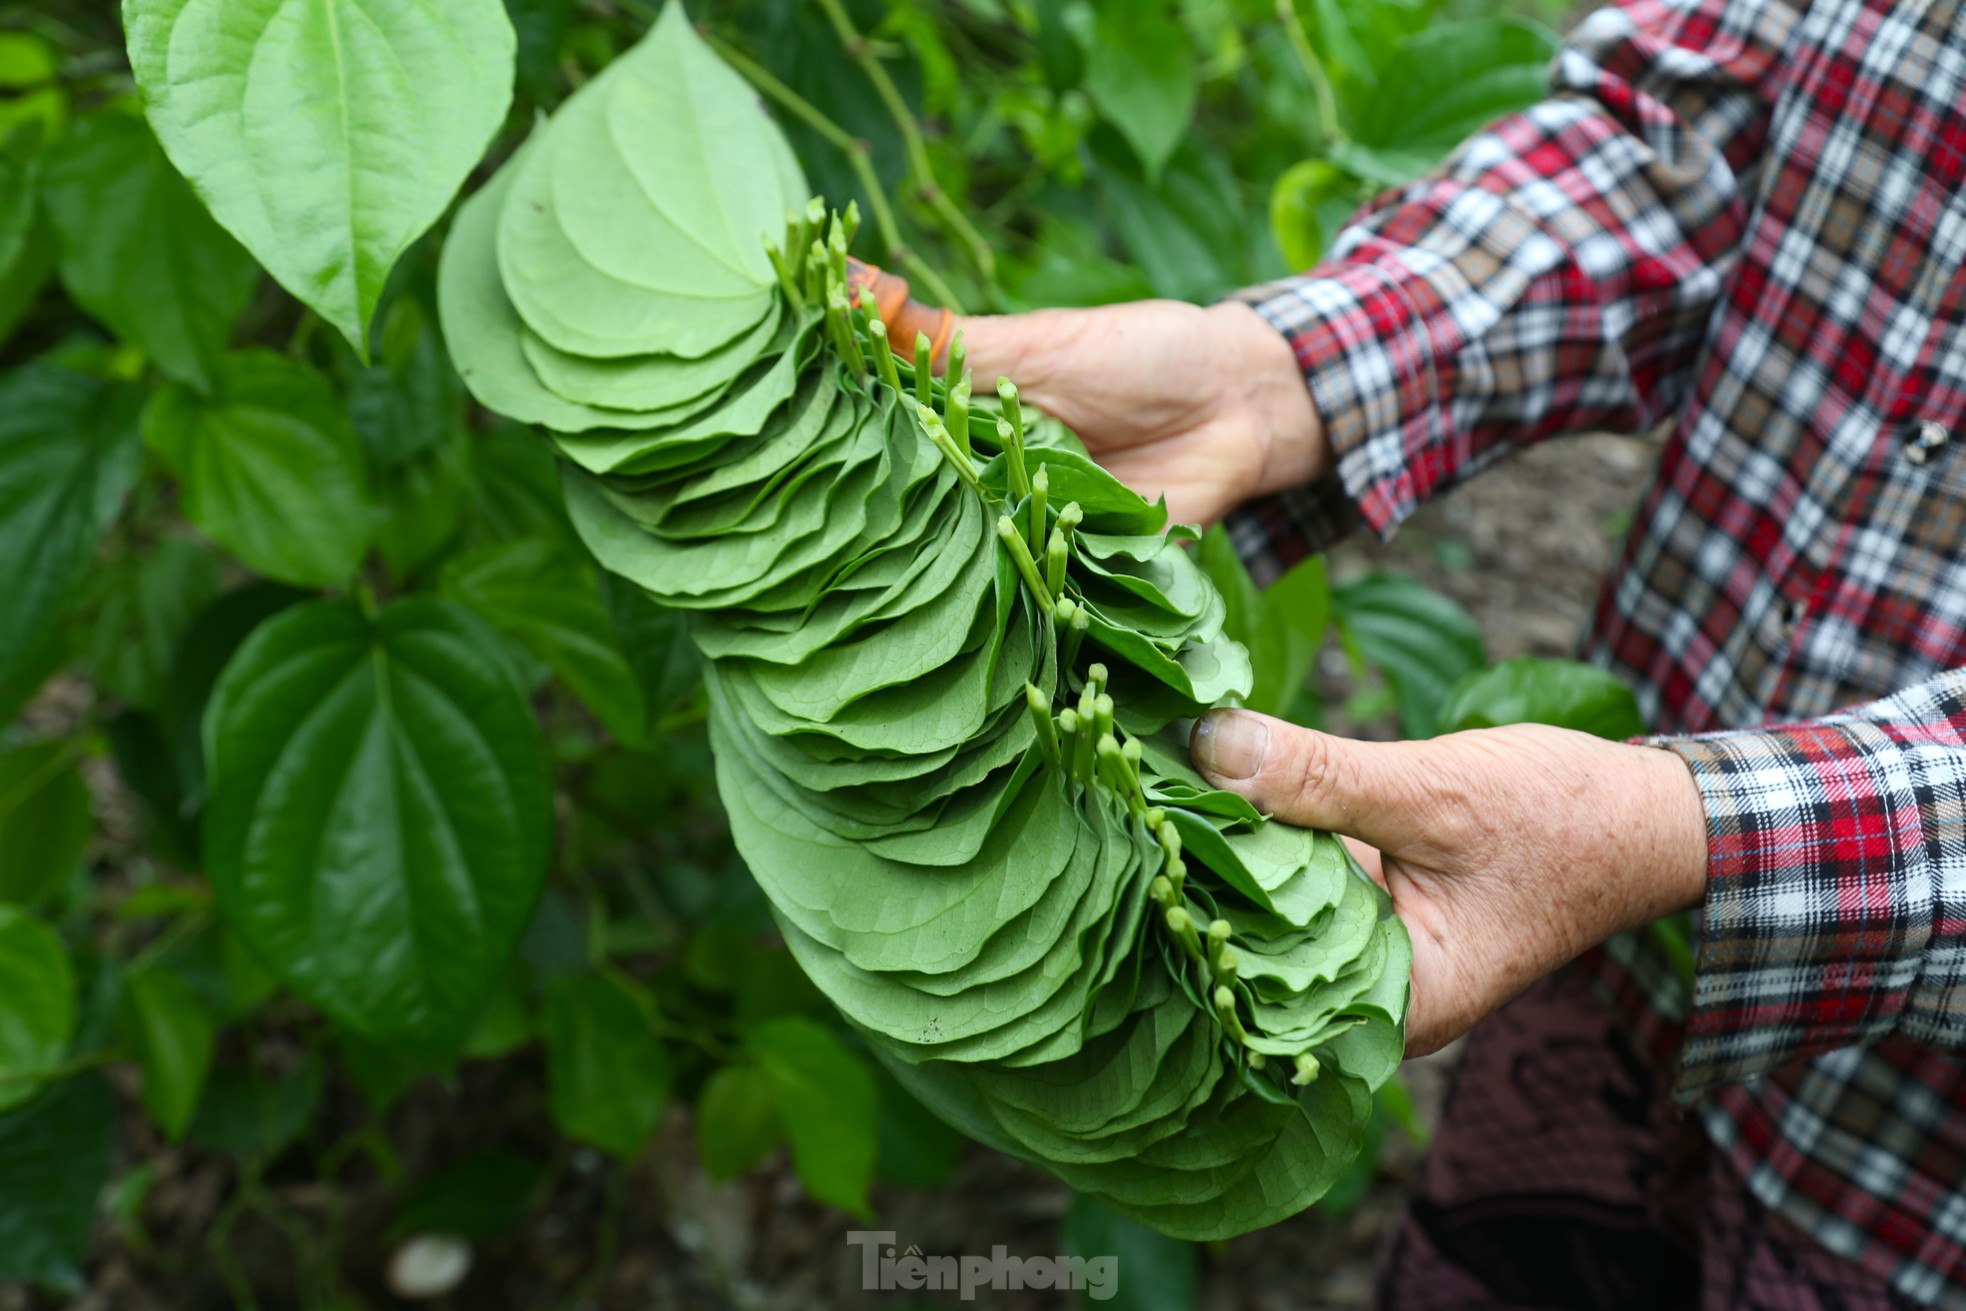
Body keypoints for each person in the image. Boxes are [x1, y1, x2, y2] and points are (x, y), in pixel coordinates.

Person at [900, 0, 1966, 1305]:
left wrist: (1685, 831)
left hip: (1910, 1191)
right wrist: (1284, 372)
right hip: (1621, 969)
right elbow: (1690, 136)